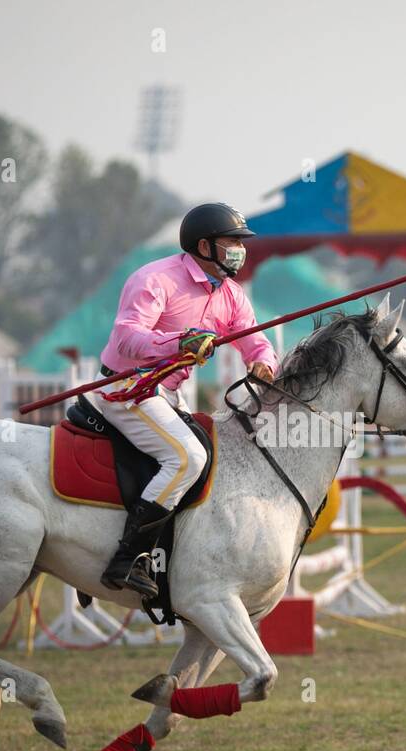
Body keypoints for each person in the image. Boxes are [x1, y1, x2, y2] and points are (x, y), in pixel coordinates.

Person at [93, 202, 278, 598]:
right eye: (232, 242)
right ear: (205, 245)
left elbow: (254, 338)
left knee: (215, 455)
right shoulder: (155, 279)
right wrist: (180, 341)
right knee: (187, 458)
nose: (240, 250)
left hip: (166, 394)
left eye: (241, 242)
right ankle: (126, 559)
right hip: (127, 389)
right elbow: (127, 337)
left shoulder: (231, 293)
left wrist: (263, 361)